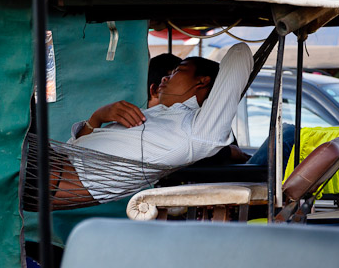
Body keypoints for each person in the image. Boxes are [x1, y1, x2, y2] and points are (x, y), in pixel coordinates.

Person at [59, 43, 253, 203]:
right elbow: (77, 148)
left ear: (202, 81)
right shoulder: (156, 115)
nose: (165, 78)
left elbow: (240, 53)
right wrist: (97, 118)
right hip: (52, 160)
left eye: (179, 70)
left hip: (56, 178)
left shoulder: (197, 130)